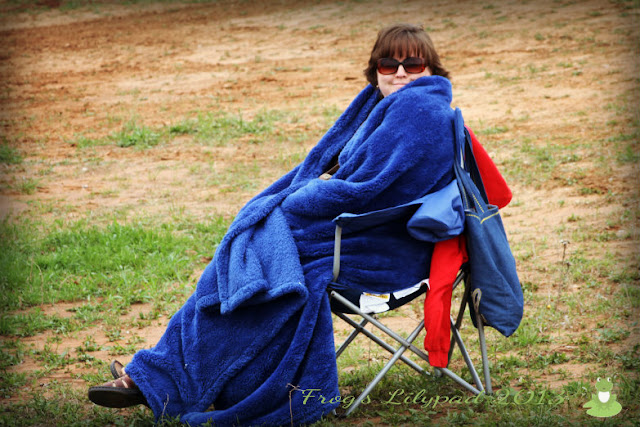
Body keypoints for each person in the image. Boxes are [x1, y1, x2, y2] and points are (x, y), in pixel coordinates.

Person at [89, 23, 461, 426]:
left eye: (413, 64)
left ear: (430, 68)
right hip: (361, 234)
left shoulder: (418, 112)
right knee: (250, 262)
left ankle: (160, 379)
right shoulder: (393, 107)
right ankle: (161, 376)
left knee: (258, 265)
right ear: (376, 70)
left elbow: (364, 190)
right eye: (389, 64)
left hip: (382, 250)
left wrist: (299, 200)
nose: (400, 73)